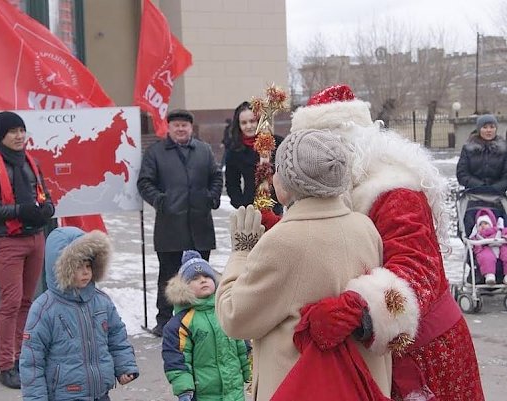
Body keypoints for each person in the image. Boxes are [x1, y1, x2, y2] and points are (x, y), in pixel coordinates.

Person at [286, 84, 484, 401]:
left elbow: (419, 268)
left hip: (425, 354)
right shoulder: (344, 189)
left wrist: (356, 309)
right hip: (376, 356)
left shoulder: (393, 189)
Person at [215, 130, 392, 401]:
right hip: (358, 385)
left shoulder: (283, 241)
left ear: (287, 185)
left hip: (302, 385)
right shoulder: (364, 227)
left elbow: (235, 317)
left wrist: (241, 253)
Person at [0, 111, 55, 389]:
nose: (19, 136)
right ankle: (6, 365)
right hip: (7, 240)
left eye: (22, 130)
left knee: (28, 302)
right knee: (11, 303)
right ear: (0, 135)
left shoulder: (32, 162)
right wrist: (18, 211)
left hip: (35, 238)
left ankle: (22, 357)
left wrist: (47, 209)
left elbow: (44, 194)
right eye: (13, 131)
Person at [19, 227, 139, 401]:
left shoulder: (101, 301)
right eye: (78, 266)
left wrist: (125, 366)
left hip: (100, 393)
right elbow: (32, 360)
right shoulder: (45, 308)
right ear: (61, 268)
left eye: (88, 265)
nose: (85, 272)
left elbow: (117, 337)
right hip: (65, 394)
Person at [137, 109, 223, 337]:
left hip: (200, 225)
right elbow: (144, 182)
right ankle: (165, 320)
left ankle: (201, 316)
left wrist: (210, 197)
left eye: (185, 125)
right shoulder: (156, 152)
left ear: (191, 128)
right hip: (170, 226)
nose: (181, 129)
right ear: (169, 128)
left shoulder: (203, 150)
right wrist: (160, 201)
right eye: (176, 125)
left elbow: (216, 177)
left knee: (200, 273)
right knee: (169, 275)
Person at [162, 250, 251, 401]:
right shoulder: (182, 323)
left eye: (206, 276)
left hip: (234, 392)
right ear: (184, 288)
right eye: (195, 279)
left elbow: (243, 347)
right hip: (203, 395)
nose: (203, 280)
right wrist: (184, 389)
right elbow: (178, 360)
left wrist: (250, 374)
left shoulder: (226, 311)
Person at [224, 101, 284, 228]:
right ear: (238, 125)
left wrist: (283, 197)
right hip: (249, 211)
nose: (249, 126)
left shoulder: (276, 143)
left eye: (252, 121)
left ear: (259, 121)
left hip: (276, 207)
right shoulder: (235, 150)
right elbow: (232, 183)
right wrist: (241, 204)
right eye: (244, 123)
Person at [457, 114, 507, 194]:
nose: (489, 130)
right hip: (473, 194)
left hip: (498, 196)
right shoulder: (468, 148)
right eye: (485, 127)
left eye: (492, 127)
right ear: (479, 129)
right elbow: (462, 174)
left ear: (496, 129)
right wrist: (480, 186)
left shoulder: (504, 149)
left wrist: (495, 188)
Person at [469, 208, 507, 285]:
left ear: (491, 224)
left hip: (501, 247)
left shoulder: (499, 230)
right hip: (486, 248)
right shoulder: (478, 235)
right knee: (486, 257)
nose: (483, 226)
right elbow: (474, 244)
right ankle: (489, 275)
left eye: (485, 224)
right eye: (480, 224)